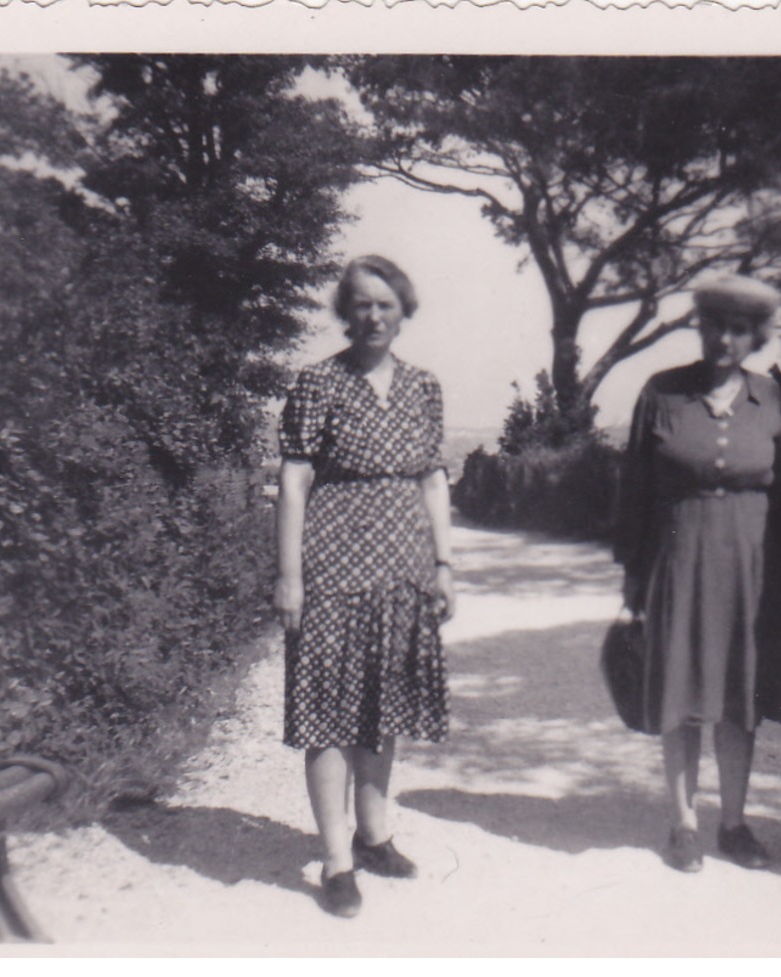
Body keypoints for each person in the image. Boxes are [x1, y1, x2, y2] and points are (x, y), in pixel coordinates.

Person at [272, 255, 457, 919]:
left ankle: (373, 835)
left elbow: (433, 480)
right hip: (332, 564)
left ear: (404, 310)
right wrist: (289, 575)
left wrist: (442, 564)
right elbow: (293, 481)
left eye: (385, 304)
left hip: (402, 565)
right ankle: (336, 860)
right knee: (328, 707)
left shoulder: (423, 387)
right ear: (344, 312)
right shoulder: (317, 382)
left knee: (383, 700)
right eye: (361, 304)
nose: (373, 316)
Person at [614, 274, 781, 874]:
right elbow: (634, 491)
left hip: (754, 568)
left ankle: (735, 823)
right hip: (680, 563)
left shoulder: (769, 397)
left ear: (755, 336)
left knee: (740, 697)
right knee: (681, 692)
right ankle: (684, 824)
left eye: (739, 328)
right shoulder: (662, 394)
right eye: (716, 324)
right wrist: (634, 581)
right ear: (701, 326)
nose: (725, 338)